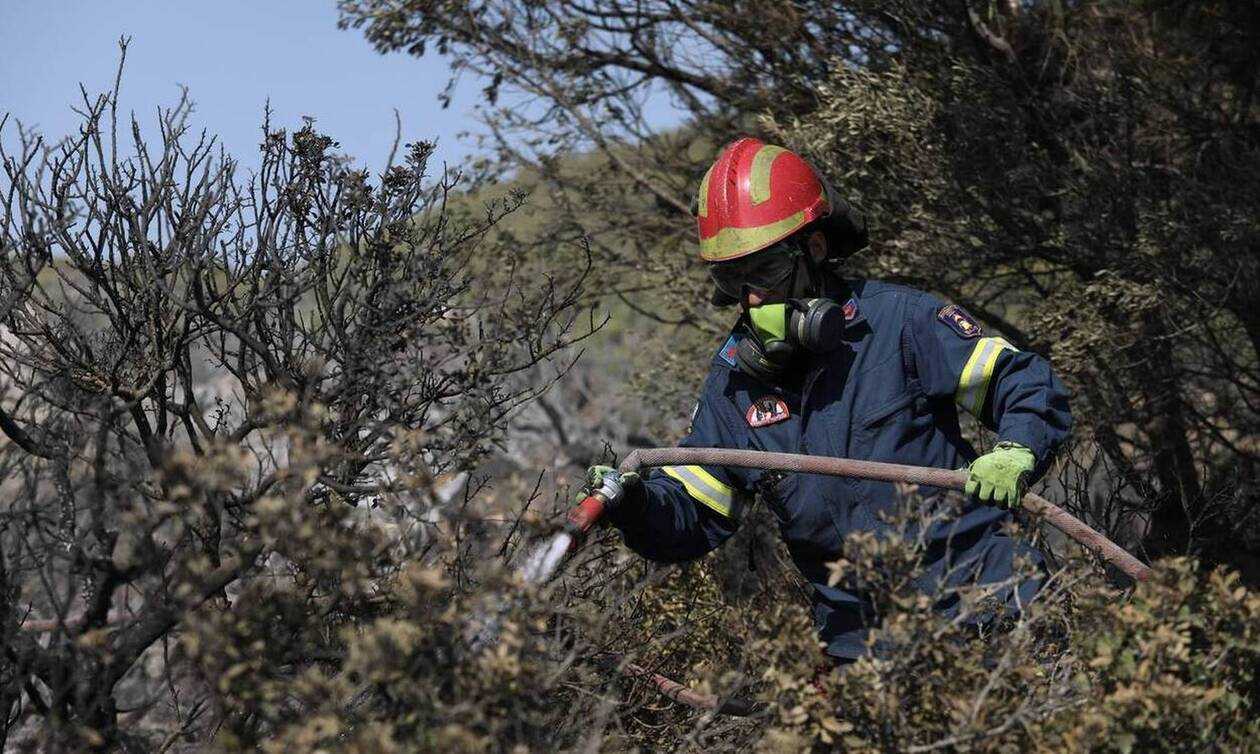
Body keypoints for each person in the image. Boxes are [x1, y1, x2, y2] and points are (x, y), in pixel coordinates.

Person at [588, 137, 1074, 664]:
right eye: (734, 279)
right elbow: (695, 511)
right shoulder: (734, 385)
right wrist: (636, 506)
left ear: (815, 249)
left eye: (765, 272)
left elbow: (1019, 381)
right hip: (865, 654)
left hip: (992, 605)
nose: (752, 299)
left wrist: (1017, 449)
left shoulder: (900, 321)